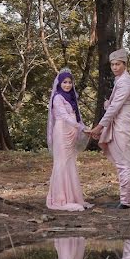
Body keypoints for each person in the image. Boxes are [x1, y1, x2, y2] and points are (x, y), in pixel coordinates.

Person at [88, 49, 130, 209]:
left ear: (125, 64)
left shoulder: (125, 82)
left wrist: (99, 127)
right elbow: (113, 105)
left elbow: (115, 107)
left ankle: (126, 201)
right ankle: (125, 199)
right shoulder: (119, 80)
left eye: (118, 64)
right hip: (118, 122)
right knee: (121, 162)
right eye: (112, 64)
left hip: (123, 123)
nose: (115, 67)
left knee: (124, 162)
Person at [47, 69, 93, 212]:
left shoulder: (72, 97)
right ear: (59, 83)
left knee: (70, 163)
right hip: (62, 132)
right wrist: (81, 128)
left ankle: (72, 196)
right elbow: (64, 116)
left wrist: (83, 128)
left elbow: (75, 116)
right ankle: (60, 198)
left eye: (69, 82)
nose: (67, 85)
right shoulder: (57, 98)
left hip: (71, 133)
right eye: (64, 82)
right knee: (61, 163)